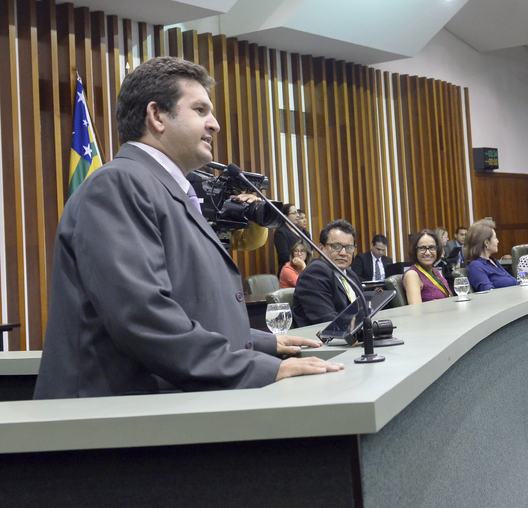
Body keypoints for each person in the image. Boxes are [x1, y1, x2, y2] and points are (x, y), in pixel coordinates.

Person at [34, 57, 342, 399]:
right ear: (157, 116)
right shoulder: (117, 185)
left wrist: (259, 342)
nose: (215, 124)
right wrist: (259, 368)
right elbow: (143, 317)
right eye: (200, 110)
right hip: (110, 421)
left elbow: (187, 308)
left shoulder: (166, 189)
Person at [293, 219, 362, 327]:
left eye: (349, 248)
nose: (343, 253)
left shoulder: (350, 275)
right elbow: (328, 322)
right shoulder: (314, 273)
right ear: (321, 248)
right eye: (336, 246)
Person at [464, 219, 517, 291]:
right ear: (486, 243)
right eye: (495, 237)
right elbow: (488, 292)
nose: (498, 241)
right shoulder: (476, 266)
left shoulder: (493, 261)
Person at [403, 229, 453, 304]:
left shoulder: (436, 272)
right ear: (415, 251)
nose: (428, 253)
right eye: (422, 248)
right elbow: (416, 309)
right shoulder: (412, 275)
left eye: (432, 247)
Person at [273, 203, 302, 271]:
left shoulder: (300, 230)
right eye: (294, 213)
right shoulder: (280, 232)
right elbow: (284, 256)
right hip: (289, 269)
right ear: (285, 216)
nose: (298, 215)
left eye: (297, 212)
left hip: (301, 267)